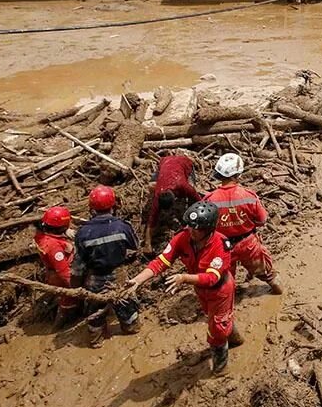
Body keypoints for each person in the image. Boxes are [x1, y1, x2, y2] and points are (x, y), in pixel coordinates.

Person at [130, 202, 235, 372]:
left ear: (208, 229)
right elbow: (161, 261)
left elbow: (211, 278)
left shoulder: (220, 245)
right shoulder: (183, 237)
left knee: (216, 330)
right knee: (217, 319)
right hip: (201, 290)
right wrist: (138, 280)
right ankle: (232, 335)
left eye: (196, 229)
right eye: (190, 226)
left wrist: (184, 278)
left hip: (220, 290)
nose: (191, 231)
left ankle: (220, 367)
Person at [203, 153, 283, 294]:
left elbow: (205, 226)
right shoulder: (248, 195)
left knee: (225, 278)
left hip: (223, 245)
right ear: (238, 175)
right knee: (266, 271)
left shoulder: (209, 199)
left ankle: (229, 299)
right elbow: (262, 220)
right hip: (248, 243)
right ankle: (276, 288)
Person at [75, 185, 140, 348]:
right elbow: (135, 246)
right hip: (118, 274)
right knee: (125, 303)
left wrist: (75, 284)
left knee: (94, 308)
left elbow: (79, 262)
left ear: (91, 208)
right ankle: (130, 327)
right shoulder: (123, 226)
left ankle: (96, 339)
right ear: (113, 205)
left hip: (94, 276)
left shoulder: (83, 232)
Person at [143, 154, 200, 254]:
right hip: (165, 161)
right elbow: (152, 220)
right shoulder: (158, 194)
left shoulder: (183, 185)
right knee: (150, 186)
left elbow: (198, 199)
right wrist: (147, 244)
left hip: (184, 161)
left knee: (192, 189)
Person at [35, 205, 78, 328]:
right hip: (60, 277)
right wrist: (76, 287)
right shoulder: (54, 247)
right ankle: (61, 326)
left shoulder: (43, 236)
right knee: (69, 301)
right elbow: (63, 272)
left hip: (52, 273)